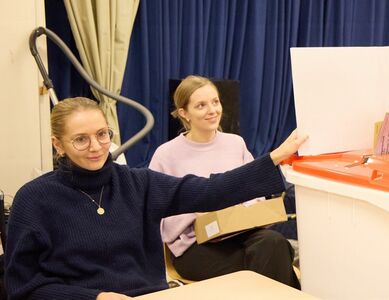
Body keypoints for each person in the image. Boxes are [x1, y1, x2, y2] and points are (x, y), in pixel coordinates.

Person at [3, 97, 306, 300]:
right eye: (81, 139)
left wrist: (274, 158)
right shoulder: (34, 200)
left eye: (102, 134)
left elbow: (211, 190)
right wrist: (94, 297)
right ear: (58, 145)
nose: (96, 147)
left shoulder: (139, 184)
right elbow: (23, 286)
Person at [149, 76, 299, 286]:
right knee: (269, 261)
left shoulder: (235, 143)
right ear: (184, 113)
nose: (212, 110)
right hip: (194, 246)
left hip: (240, 232)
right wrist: (198, 214)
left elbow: (255, 191)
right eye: (201, 105)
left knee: (275, 243)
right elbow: (156, 212)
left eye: (215, 102)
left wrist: (241, 209)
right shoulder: (166, 155)